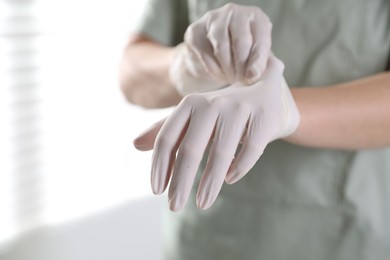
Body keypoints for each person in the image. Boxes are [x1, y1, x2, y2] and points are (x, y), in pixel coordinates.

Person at [120, 0, 390, 259]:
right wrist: (184, 65)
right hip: (204, 237)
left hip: (340, 237)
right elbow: (131, 72)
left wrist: (289, 110)